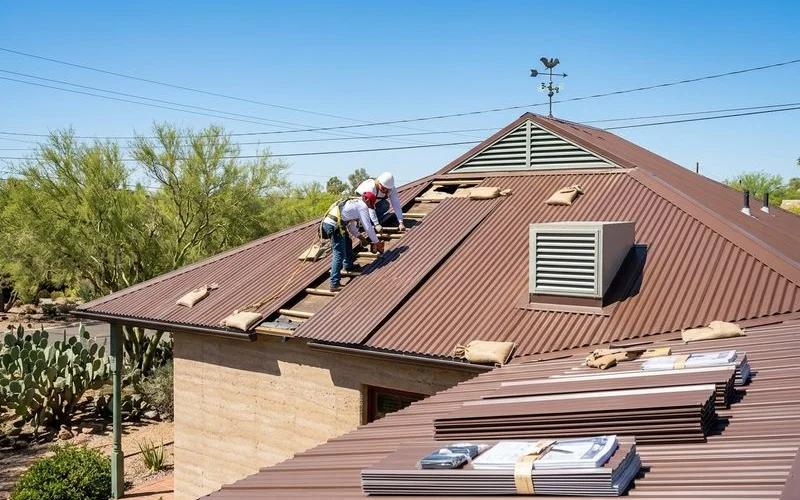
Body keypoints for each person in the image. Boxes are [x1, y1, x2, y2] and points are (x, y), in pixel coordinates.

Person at [320, 192, 382, 292]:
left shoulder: (355, 204)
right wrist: (376, 242)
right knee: (338, 253)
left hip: (334, 225)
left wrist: (362, 239)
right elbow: (367, 227)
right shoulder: (362, 206)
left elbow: (351, 226)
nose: (370, 207)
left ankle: (349, 266)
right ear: (366, 200)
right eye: (370, 204)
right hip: (333, 226)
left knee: (347, 241)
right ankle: (334, 283)